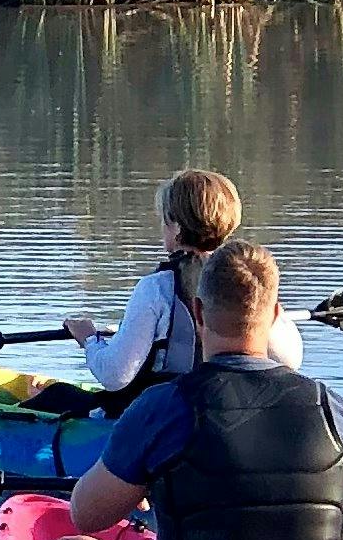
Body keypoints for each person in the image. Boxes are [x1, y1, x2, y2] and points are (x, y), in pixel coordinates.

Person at [39, 237, 343, 540]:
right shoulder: (337, 410)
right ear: (276, 314)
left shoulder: (162, 407)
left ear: (199, 313)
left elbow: (87, 514)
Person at [65, 165, 302, 404]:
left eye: (164, 220)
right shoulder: (249, 280)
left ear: (176, 227)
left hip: (165, 414)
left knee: (54, 398)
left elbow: (114, 376)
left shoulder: (155, 289)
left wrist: (90, 339)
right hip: (231, 407)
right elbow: (289, 360)